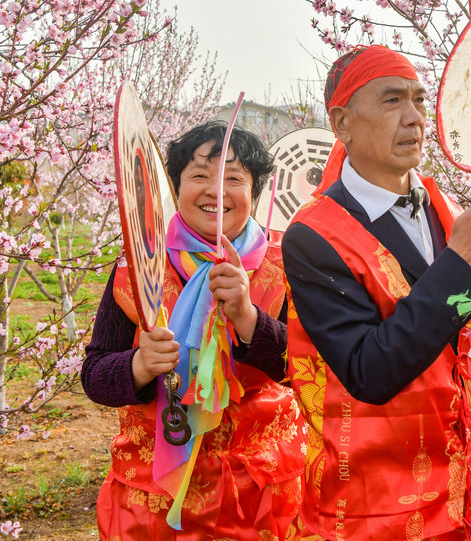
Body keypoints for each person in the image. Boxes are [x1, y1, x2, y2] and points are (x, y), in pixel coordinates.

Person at [282, 44, 471, 540]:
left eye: (419, 101)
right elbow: (368, 370)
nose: (414, 119)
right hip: (369, 506)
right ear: (342, 124)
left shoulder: (438, 206)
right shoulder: (313, 235)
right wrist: (460, 262)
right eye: (391, 101)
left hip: (460, 489)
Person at [82, 122, 305, 540]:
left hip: (259, 495)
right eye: (199, 175)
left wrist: (248, 319)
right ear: (175, 186)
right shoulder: (139, 265)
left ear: (254, 193)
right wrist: (138, 366)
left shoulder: (288, 265)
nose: (216, 191)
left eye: (234, 178)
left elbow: (310, 374)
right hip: (152, 498)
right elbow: (94, 376)